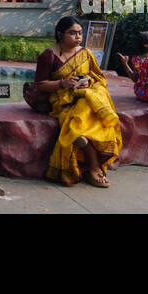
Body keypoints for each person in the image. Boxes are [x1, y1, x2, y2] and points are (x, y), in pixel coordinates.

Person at [33, 16, 121, 188]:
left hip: (86, 99)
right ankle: (94, 167)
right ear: (60, 34)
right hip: (63, 101)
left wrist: (89, 82)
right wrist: (62, 83)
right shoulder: (48, 56)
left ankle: (81, 138)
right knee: (86, 105)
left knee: (90, 98)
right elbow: (40, 85)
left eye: (80, 33)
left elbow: (100, 79)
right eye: (72, 33)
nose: (78, 37)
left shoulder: (86, 53)